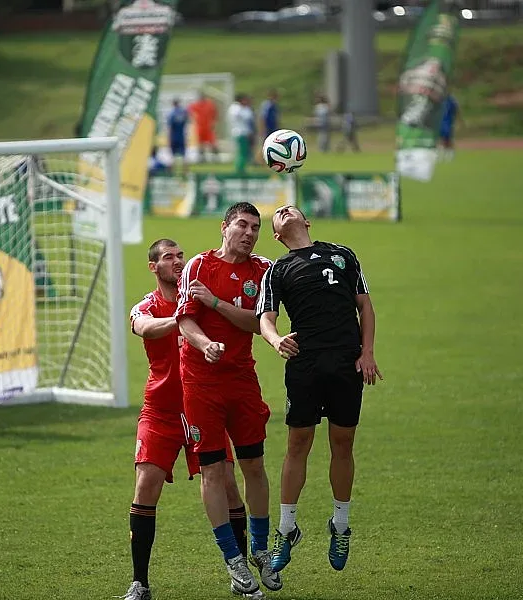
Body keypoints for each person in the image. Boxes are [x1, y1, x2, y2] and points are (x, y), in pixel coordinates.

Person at [256, 205, 383, 574]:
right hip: (305, 365)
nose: (285, 210)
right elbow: (265, 318)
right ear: (276, 235)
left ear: (307, 222)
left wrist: (367, 352)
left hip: (346, 363)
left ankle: (340, 525)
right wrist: (275, 339)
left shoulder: (343, 254)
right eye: (278, 215)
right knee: (298, 444)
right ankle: (286, 529)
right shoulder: (277, 270)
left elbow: (365, 306)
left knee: (343, 443)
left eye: (291, 209)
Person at [122, 239, 250, 600]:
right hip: (161, 410)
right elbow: (144, 327)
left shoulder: (199, 300)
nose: (177, 262)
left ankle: (240, 573)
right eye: (168, 257)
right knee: (146, 485)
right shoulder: (147, 305)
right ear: (153, 267)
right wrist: (180, 322)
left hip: (203, 406)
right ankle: (139, 583)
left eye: (180, 256)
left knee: (228, 485)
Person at [176, 202, 281, 598]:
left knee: (254, 464)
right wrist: (205, 344)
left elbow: (260, 324)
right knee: (213, 471)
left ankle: (260, 549)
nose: (249, 233)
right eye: (241, 225)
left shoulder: (263, 269)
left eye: (255, 227)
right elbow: (184, 320)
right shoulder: (199, 266)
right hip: (201, 382)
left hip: (241, 379)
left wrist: (216, 303)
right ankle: (233, 561)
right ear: (224, 227)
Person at [188, 91, 219, 163]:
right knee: (201, 143)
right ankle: (202, 158)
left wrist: (214, 122)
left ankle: (215, 157)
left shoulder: (209, 104)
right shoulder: (196, 105)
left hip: (208, 127)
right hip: (200, 127)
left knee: (212, 142)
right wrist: (193, 118)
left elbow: (215, 113)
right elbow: (189, 110)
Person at [227, 94, 254, 175]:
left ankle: (240, 168)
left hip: (241, 133)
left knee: (242, 152)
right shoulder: (237, 108)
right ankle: (240, 169)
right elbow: (245, 117)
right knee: (242, 152)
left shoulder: (237, 108)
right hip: (241, 133)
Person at [167, 98, 189, 175]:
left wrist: (169, 139)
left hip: (174, 136)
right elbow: (186, 124)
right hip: (181, 136)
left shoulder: (172, 114)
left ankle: (171, 172)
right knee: (184, 155)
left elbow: (170, 128)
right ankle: (185, 171)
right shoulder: (183, 113)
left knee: (172, 155)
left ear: (173, 104)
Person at [438, 94, 459, 161]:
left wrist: (456, 121)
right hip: (439, 122)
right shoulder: (438, 99)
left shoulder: (451, 100)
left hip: (448, 122)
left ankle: (450, 155)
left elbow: (456, 110)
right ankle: (441, 155)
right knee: (440, 138)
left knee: (448, 139)